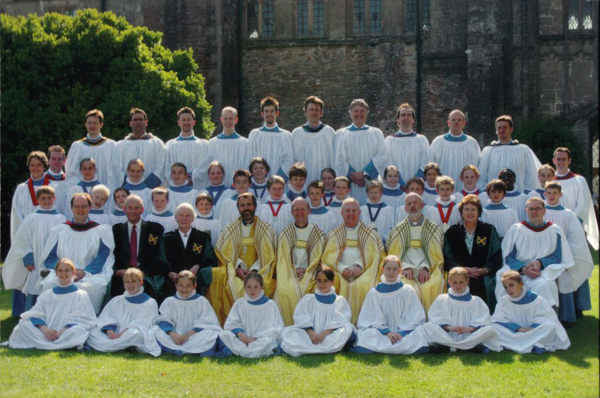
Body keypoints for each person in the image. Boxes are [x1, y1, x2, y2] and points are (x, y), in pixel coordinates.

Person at [39, 193, 115, 313]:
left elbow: (104, 256)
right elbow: (50, 256)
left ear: (90, 207)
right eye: (77, 206)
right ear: (71, 208)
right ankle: (54, 320)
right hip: (62, 272)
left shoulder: (100, 231)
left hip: (90, 274)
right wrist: (64, 271)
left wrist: (83, 272)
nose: (80, 210)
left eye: (84, 206)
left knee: (94, 288)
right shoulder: (59, 230)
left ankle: (87, 322)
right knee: (50, 285)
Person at [496, 197, 575, 309]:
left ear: (544, 210)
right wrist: (523, 269)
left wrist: (539, 263)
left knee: (542, 285)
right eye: (531, 209)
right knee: (503, 283)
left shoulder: (554, 230)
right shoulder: (516, 229)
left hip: (542, 270)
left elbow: (557, 256)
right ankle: (511, 316)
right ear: (526, 211)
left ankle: (542, 319)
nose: (534, 212)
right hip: (517, 270)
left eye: (538, 208)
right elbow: (508, 256)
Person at [210, 193, 277, 325]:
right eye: (242, 206)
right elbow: (223, 253)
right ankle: (232, 324)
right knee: (225, 281)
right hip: (236, 272)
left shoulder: (266, 229)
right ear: (238, 208)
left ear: (255, 206)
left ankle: (260, 324)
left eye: (249, 205)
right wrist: (238, 268)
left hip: (260, 271)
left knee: (267, 284)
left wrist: (254, 271)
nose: (246, 208)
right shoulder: (230, 229)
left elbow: (270, 256)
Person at [3, 186, 66, 316]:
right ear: (37, 200)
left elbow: (64, 240)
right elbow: (23, 240)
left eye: (49, 198)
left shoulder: (61, 219)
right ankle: (29, 317)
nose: (47, 201)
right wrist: (28, 258)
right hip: (36, 259)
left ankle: (51, 316)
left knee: (51, 286)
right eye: (43, 198)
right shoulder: (31, 218)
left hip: (54, 259)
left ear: (54, 199)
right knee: (34, 286)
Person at [321, 198, 385, 323]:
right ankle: (336, 324)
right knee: (332, 284)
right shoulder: (334, 234)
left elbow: (374, 256)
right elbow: (327, 257)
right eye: (347, 210)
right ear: (341, 213)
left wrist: (360, 267)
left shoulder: (369, 233)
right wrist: (341, 268)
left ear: (359, 212)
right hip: (339, 273)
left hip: (364, 272)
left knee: (364, 286)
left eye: (354, 210)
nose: (351, 213)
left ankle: (364, 324)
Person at [9, 258, 96, 351]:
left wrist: (59, 333)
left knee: (78, 330)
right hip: (45, 333)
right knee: (24, 324)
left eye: (67, 270)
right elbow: (36, 313)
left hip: (65, 332)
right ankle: (61, 344)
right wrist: (45, 330)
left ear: (73, 273)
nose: (64, 273)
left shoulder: (81, 295)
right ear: (56, 273)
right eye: (60, 271)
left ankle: (47, 343)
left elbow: (83, 318)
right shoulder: (47, 294)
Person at [353, 255, 429, 354]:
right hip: (382, 333)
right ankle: (395, 343)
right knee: (367, 334)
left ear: (400, 270)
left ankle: (392, 342)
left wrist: (401, 333)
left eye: (395, 269)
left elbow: (414, 315)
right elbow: (370, 317)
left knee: (419, 333)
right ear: (383, 269)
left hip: (403, 332)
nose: (391, 272)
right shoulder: (374, 293)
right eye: (388, 268)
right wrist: (387, 332)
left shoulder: (408, 290)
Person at [544, 182, 594, 323]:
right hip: (543, 256)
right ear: (544, 194)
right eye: (549, 193)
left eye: (555, 193)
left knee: (565, 279)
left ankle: (566, 316)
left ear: (560, 195)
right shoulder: (540, 211)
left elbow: (575, 238)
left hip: (564, 255)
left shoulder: (568, 214)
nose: (552, 196)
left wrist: (565, 256)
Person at [387, 193, 445, 314]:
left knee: (435, 283)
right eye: (409, 203)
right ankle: (406, 321)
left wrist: (425, 268)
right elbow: (394, 254)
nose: (412, 206)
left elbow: (436, 255)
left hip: (429, 269)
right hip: (404, 270)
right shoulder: (398, 229)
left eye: (416, 203)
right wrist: (405, 267)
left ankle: (432, 320)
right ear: (405, 208)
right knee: (404, 286)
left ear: (422, 205)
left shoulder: (433, 228)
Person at [443, 195, 502, 309]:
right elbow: (447, 256)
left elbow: (496, 254)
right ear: (461, 212)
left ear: (479, 212)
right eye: (466, 209)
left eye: (473, 209)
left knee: (489, 286)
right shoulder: (452, 232)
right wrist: (462, 270)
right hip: (459, 274)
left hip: (483, 274)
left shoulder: (488, 230)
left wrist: (485, 270)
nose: (470, 213)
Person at [423, 267, 502, 353]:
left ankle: (450, 346)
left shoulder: (476, 301)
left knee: (490, 329)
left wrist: (468, 329)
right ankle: (468, 346)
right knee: (428, 327)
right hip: (448, 334)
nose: (458, 285)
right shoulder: (442, 299)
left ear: (467, 282)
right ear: (449, 282)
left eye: (461, 282)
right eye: (455, 282)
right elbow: (436, 318)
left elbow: (482, 320)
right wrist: (451, 328)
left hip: (470, 334)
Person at [274, 198, 326, 326]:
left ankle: (310, 327)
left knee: (310, 290)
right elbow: (282, 258)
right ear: (292, 212)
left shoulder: (317, 233)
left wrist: (307, 271)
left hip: (311, 273)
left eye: (302, 209)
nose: (299, 212)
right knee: (282, 292)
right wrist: (294, 269)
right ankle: (288, 327)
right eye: (296, 210)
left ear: (309, 211)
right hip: (289, 273)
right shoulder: (286, 234)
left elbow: (318, 258)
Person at [281, 267, 355, 356]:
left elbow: (340, 320)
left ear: (332, 282)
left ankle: (321, 344)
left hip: (328, 334)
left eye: (326, 281)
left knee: (347, 329)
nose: (322, 284)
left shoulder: (339, 301)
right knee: (291, 332)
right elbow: (301, 316)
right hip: (311, 335)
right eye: (319, 280)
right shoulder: (309, 299)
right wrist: (310, 332)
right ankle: (321, 345)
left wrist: (324, 334)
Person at [86, 268, 161, 356]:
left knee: (136, 335)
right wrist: (109, 331)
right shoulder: (117, 300)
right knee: (92, 331)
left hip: (131, 333)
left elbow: (146, 323)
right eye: (127, 282)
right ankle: (123, 346)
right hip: (115, 333)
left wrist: (126, 331)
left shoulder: (150, 302)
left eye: (134, 281)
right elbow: (106, 317)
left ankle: (112, 346)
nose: (130, 285)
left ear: (141, 282)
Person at [492, 270, 570, 354]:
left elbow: (545, 318)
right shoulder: (504, 301)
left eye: (511, 285)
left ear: (521, 284)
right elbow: (498, 319)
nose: (508, 290)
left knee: (550, 327)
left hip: (532, 331)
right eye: (506, 287)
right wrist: (517, 328)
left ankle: (518, 343)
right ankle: (533, 344)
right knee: (493, 326)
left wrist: (530, 329)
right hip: (514, 332)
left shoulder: (537, 300)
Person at [151, 271, 223, 356]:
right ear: (176, 286)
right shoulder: (169, 301)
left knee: (210, 333)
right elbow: (164, 319)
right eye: (181, 285)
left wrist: (187, 335)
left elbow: (207, 322)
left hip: (193, 336)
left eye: (188, 286)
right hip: (174, 337)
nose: (184, 289)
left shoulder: (201, 301)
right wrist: (173, 334)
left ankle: (179, 350)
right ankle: (180, 349)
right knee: (155, 330)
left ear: (194, 286)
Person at [112, 195, 165, 301]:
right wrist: (116, 271)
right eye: (130, 208)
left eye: (136, 208)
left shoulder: (155, 229)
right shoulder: (115, 230)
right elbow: (110, 256)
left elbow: (160, 256)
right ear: (124, 209)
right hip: (122, 275)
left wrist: (145, 273)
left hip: (146, 275)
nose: (133, 211)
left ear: (142, 210)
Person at [219, 273, 284, 358]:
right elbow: (232, 322)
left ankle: (245, 350)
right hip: (242, 339)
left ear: (261, 287)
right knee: (224, 334)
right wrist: (241, 335)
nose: (252, 290)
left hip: (260, 339)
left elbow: (275, 327)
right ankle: (248, 350)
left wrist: (255, 338)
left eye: (256, 287)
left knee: (269, 341)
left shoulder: (270, 304)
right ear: (245, 288)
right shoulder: (240, 303)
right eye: (249, 287)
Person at [336, 99, 388, 205]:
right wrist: (353, 176)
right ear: (350, 113)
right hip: (350, 184)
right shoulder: (341, 134)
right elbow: (339, 159)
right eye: (356, 111)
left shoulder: (376, 133)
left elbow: (382, 156)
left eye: (362, 111)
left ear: (367, 113)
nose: (359, 114)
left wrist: (364, 174)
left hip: (370, 183)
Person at [160, 203, 217, 298]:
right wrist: (169, 273)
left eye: (188, 215)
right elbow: (161, 260)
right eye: (181, 215)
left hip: (196, 283)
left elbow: (210, 259)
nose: (184, 219)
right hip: (172, 284)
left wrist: (199, 266)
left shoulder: (202, 237)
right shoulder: (166, 239)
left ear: (193, 218)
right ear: (175, 218)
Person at [478, 115, 541, 193]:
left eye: (505, 127)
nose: (502, 130)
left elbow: (531, 174)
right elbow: (482, 175)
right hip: (495, 197)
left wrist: (527, 194)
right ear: (496, 130)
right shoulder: (488, 151)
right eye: (499, 128)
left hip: (519, 197)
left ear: (511, 129)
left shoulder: (523, 149)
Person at [553, 147, 599, 250]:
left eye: (564, 159)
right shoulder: (549, 182)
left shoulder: (578, 180)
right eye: (558, 159)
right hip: (553, 226)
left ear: (569, 161)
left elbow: (583, 205)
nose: (561, 162)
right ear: (554, 160)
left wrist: (570, 222)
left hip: (573, 226)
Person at [113, 108, 167, 189]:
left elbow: (160, 167)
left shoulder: (157, 144)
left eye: (141, 119)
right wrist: (129, 186)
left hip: (150, 192)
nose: (138, 122)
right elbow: (116, 169)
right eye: (135, 120)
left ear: (146, 122)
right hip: (127, 191)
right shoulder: (120, 146)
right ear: (130, 123)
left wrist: (146, 187)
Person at [65, 109, 117, 191]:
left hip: (105, 192)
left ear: (101, 124)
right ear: (85, 124)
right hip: (82, 193)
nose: (92, 126)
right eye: (89, 123)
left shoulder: (111, 145)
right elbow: (71, 172)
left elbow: (115, 172)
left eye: (95, 123)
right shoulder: (77, 146)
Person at [430, 110, 481, 191]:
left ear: (464, 123)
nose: (456, 122)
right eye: (453, 120)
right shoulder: (438, 142)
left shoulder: (471, 143)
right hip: (443, 190)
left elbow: (476, 167)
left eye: (459, 120)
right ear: (448, 123)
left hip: (466, 190)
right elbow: (432, 165)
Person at [291, 96, 337, 183]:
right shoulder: (297, 133)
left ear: (321, 113)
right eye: (311, 109)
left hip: (325, 183)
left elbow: (335, 159)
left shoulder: (329, 132)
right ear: (305, 112)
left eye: (317, 110)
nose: (314, 112)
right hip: (302, 183)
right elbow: (293, 159)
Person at [248, 96, 293, 181]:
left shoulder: (285, 135)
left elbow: (289, 160)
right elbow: (252, 158)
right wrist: (262, 179)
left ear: (277, 113)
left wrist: (276, 181)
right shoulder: (255, 134)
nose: (269, 114)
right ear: (262, 114)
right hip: (259, 182)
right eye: (266, 111)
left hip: (279, 185)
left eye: (272, 111)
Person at [165, 107, 210, 190]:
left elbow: (205, 166)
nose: (186, 122)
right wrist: (182, 178)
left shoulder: (204, 144)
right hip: (177, 189)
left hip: (197, 189)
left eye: (189, 119)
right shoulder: (170, 145)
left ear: (194, 122)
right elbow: (168, 167)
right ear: (179, 122)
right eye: (183, 120)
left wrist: (191, 178)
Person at [10, 151, 52, 241]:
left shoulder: (53, 187)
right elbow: (17, 216)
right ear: (28, 166)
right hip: (27, 236)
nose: (35, 168)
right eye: (32, 165)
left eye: (39, 165)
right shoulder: (21, 189)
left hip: (48, 235)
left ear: (44, 166)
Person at [202, 106, 250, 184]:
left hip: (238, 187)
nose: (228, 121)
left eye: (231, 118)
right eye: (225, 118)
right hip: (218, 187)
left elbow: (246, 165)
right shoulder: (212, 143)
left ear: (236, 120)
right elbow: (207, 167)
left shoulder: (245, 143)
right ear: (221, 119)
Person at [384, 103, 431, 181]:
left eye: (409, 115)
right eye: (403, 115)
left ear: (413, 120)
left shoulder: (421, 140)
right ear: (398, 119)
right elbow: (388, 163)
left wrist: (414, 182)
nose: (406, 117)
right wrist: (400, 183)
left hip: (417, 187)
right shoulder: (390, 140)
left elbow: (425, 164)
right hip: (396, 185)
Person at [359, 180, 394, 244]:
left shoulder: (388, 210)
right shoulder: (362, 210)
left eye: (376, 192)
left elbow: (389, 229)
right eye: (371, 192)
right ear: (367, 193)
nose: (374, 195)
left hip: (382, 244)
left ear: (381, 193)